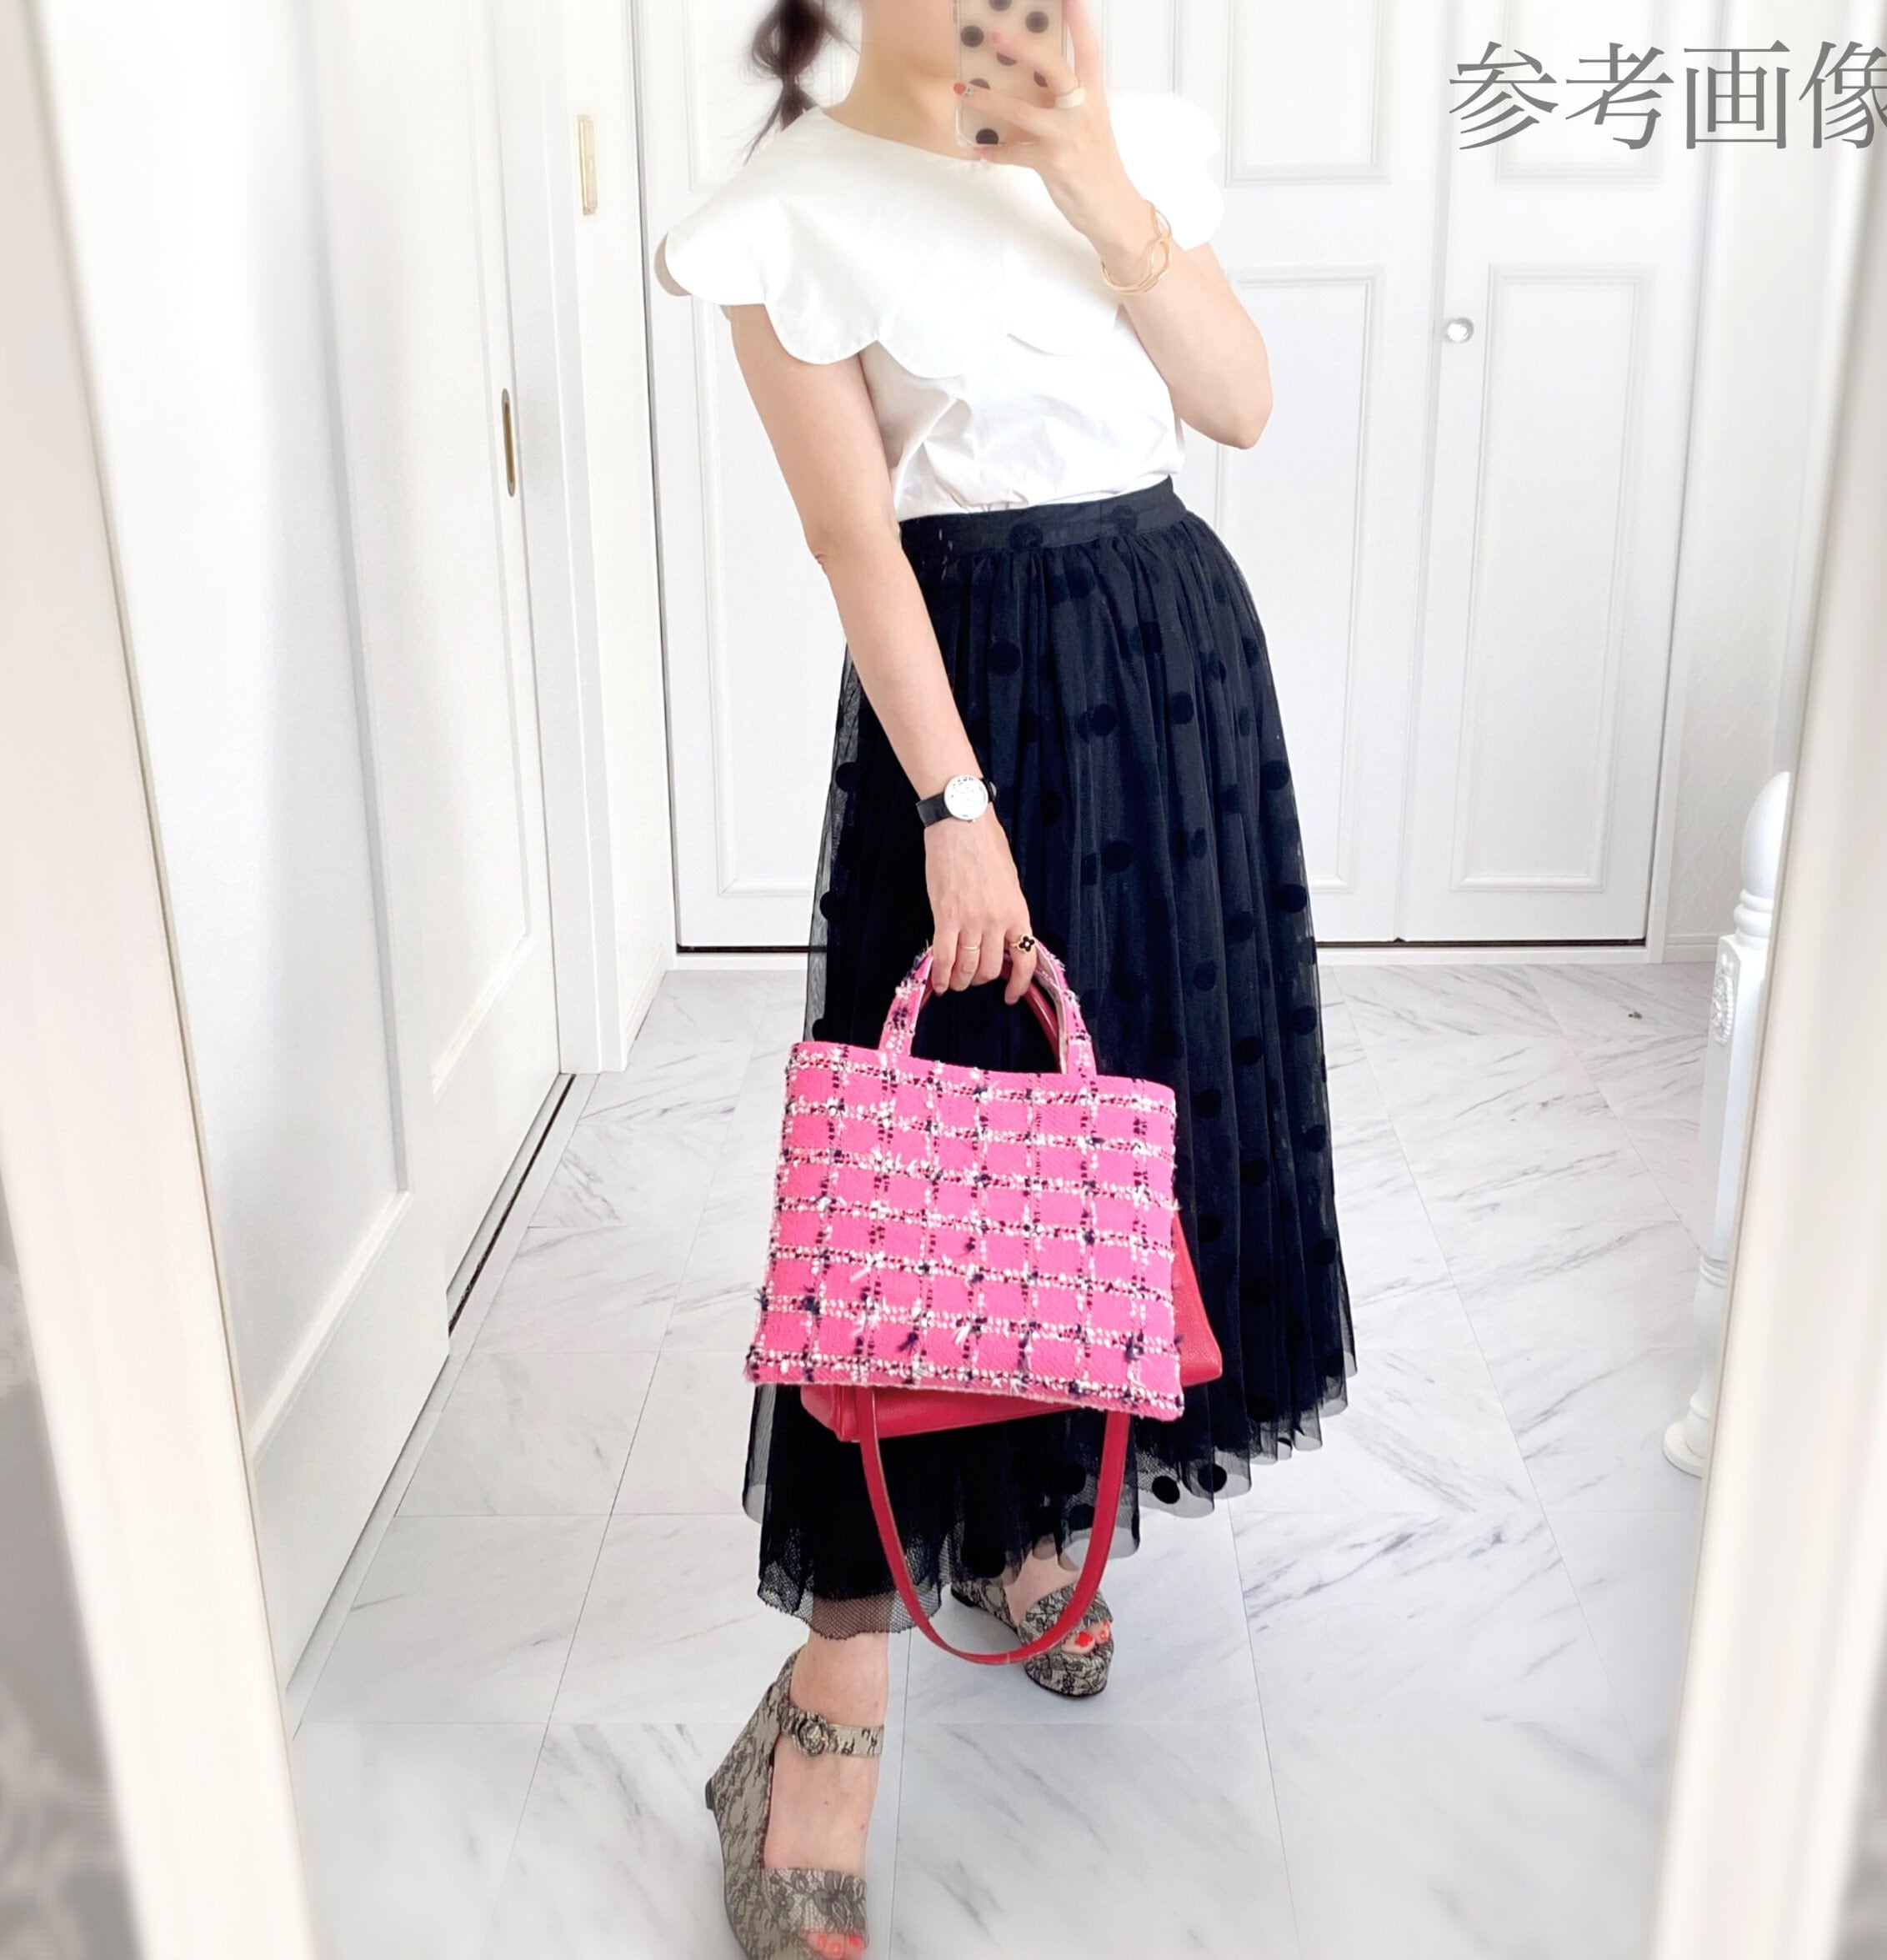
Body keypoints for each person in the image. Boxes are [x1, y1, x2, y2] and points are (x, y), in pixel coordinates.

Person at [656, 3, 1354, 1952]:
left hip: (1175, 671)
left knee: (1112, 1137)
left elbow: (1238, 402)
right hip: (969, 703)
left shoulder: (1140, 144)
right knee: (920, 1193)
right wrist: (954, 808)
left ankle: (1037, 1510)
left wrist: (1090, 180)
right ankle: (821, 1724)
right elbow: (852, 540)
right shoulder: (788, 213)